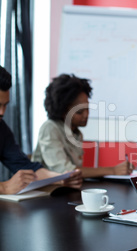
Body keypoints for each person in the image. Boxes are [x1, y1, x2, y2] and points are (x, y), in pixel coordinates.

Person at [0, 65, 82, 194]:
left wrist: (59, 179)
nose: (2, 112)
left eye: (5, 105)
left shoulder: (2, 129)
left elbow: (28, 168)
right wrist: (4, 187)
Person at [32, 74, 133, 178]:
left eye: (88, 109)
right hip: (45, 191)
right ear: (63, 112)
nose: (86, 115)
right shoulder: (50, 128)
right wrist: (113, 170)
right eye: (79, 112)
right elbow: (66, 171)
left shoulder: (77, 133)